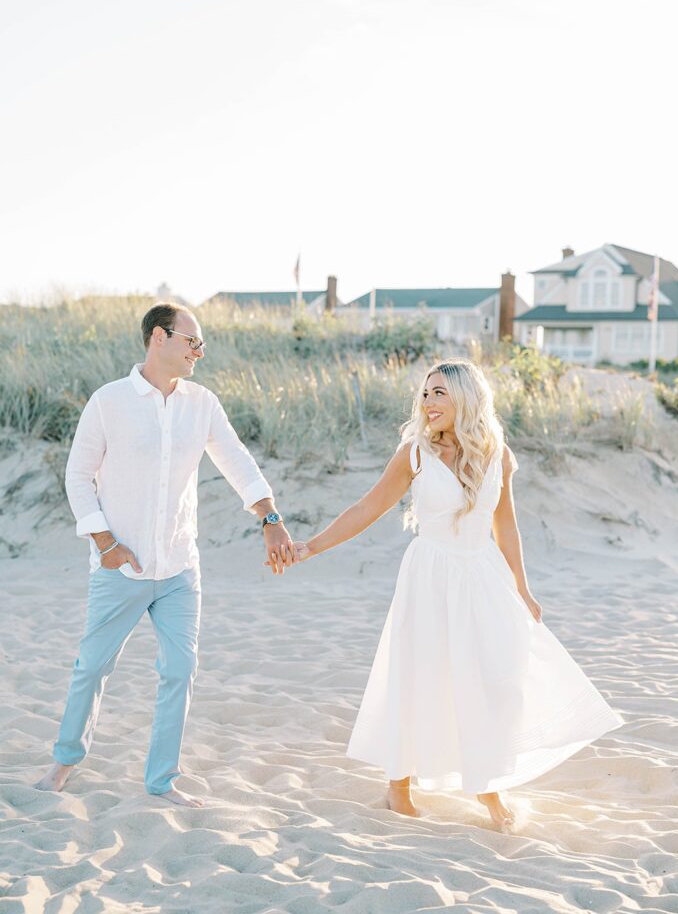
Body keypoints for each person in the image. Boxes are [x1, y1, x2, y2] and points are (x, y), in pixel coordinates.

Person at [293, 359, 624, 830]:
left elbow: (504, 523)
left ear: (467, 399)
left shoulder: (496, 454)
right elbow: (368, 507)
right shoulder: (414, 453)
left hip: (482, 575)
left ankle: (487, 784)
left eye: (440, 394)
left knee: (492, 680)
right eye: (426, 393)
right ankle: (399, 786)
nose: (428, 403)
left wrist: (522, 587)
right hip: (429, 576)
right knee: (418, 676)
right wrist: (311, 546)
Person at [35, 302, 297, 807]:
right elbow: (77, 477)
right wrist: (105, 544)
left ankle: (161, 780)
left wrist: (270, 518)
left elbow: (238, 462)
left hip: (179, 567)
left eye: (201, 344)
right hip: (121, 568)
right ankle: (64, 762)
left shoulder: (202, 404)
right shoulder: (108, 401)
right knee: (92, 667)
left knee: (180, 668)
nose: (199, 351)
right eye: (192, 341)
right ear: (160, 337)